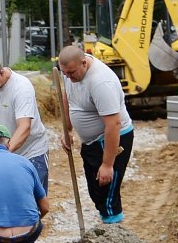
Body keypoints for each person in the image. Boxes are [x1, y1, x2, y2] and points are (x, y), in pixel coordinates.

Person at [57, 43, 134, 225]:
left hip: (111, 138)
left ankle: (115, 235)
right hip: (92, 142)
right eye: (64, 73)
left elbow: (113, 124)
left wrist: (108, 164)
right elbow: (68, 97)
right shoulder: (71, 72)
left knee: (106, 191)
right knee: (95, 189)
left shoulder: (101, 82)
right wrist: (67, 129)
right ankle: (108, 228)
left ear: (84, 63)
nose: (68, 77)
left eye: (71, 73)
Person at [0, 55, 50, 191]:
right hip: (5, 153)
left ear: (1, 73)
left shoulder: (21, 87)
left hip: (31, 151)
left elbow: (24, 127)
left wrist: (3, 152)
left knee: (33, 201)